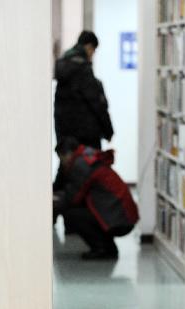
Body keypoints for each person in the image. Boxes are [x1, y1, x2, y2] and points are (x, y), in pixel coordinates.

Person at [54, 137, 139, 260]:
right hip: (121, 214)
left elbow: (73, 197)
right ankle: (107, 247)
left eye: (61, 158)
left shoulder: (80, 164)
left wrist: (54, 200)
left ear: (68, 154)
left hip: (118, 218)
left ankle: (101, 248)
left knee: (71, 214)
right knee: (76, 210)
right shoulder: (87, 156)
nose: (62, 163)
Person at [53, 31, 113, 193]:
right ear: (88, 47)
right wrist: (108, 130)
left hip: (65, 135)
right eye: (93, 51)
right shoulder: (82, 69)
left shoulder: (64, 66)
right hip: (86, 136)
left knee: (66, 174)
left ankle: (58, 208)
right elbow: (96, 103)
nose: (92, 56)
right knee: (88, 177)